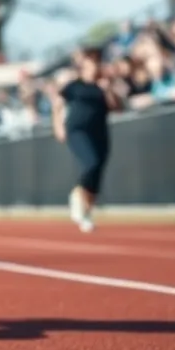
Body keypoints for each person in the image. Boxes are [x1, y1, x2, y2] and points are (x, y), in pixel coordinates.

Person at [51, 47, 119, 233]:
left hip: (99, 131)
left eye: (97, 63)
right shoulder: (74, 86)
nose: (94, 67)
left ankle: (86, 214)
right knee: (91, 162)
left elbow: (116, 107)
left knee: (97, 172)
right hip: (78, 131)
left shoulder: (103, 86)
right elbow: (57, 104)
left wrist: (108, 90)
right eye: (91, 64)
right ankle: (77, 195)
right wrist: (58, 125)